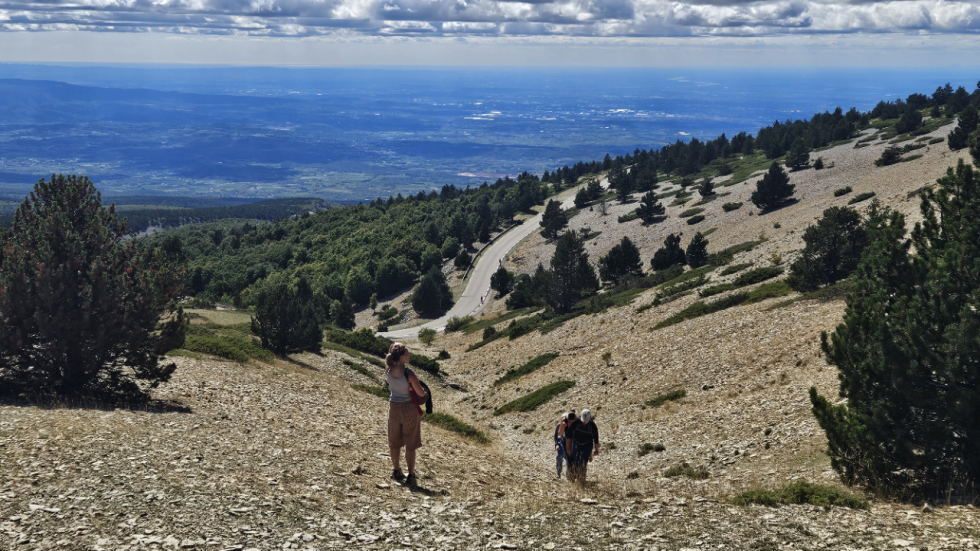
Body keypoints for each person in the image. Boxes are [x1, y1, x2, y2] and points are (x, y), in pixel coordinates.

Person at [386, 342, 427, 487]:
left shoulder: (388, 369)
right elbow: (420, 392)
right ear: (402, 357)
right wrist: (426, 393)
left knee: (394, 441)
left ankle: (396, 470)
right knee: (410, 443)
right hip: (409, 408)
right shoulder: (408, 373)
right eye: (407, 354)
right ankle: (411, 475)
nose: (409, 356)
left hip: (394, 407)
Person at [565, 408, 599, 483]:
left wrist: (596, 450)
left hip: (587, 446)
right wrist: (568, 448)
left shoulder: (592, 425)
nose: (584, 423)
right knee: (575, 461)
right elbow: (569, 436)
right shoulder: (576, 422)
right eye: (583, 421)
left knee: (583, 462)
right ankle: (573, 476)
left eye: (586, 421)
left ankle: (581, 479)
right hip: (576, 444)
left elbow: (596, 439)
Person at [553, 414, 568, 478]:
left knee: (569, 460)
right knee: (559, 457)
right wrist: (556, 445)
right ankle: (558, 473)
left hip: (568, 444)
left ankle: (569, 475)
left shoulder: (571, 426)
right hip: (561, 443)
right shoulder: (559, 425)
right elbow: (556, 436)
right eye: (563, 419)